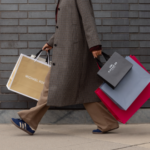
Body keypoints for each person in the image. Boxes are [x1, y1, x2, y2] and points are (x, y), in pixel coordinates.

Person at [11, 0, 119, 135]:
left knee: (53, 85)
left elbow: (87, 18)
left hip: (73, 52)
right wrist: (51, 42)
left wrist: (95, 45)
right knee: (86, 88)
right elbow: (65, 27)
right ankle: (106, 123)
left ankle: (29, 122)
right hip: (70, 50)